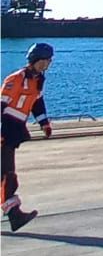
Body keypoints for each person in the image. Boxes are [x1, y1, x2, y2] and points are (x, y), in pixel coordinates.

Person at [2, 42, 55, 231]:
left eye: (49, 61)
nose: (48, 64)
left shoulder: (38, 80)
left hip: (13, 134)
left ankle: (14, 216)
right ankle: (14, 216)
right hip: (4, 132)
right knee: (7, 177)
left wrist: (44, 124)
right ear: (35, 60)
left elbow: (37, 103)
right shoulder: (15, 79)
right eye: (45, 60)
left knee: (6, 176)